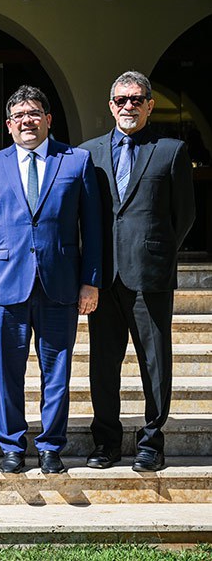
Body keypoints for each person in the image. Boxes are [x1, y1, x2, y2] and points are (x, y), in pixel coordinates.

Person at [0, 85, 102, 474]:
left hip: (60, 282)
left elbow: (90, 228)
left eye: (34, 113)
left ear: (48, 120)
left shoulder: (76, 162)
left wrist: (90, 281)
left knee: (57, 370)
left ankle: (50, 447)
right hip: (7, 284)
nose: (27, 120)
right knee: (7, 372)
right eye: (19, 115)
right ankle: (11, 445)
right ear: (9, 125)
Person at [80, 71, 195, 472]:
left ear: (150, 105)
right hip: (103, 278)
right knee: (103, 364)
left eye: (136, 99)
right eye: (121, 99)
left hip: (150, 275)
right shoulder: (87, 153)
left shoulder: (171, 150)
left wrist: (156, 251)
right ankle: (106, 442)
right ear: (110, 106)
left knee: (155, 362)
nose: (128, 105)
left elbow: (185, 215)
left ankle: (151, 442)